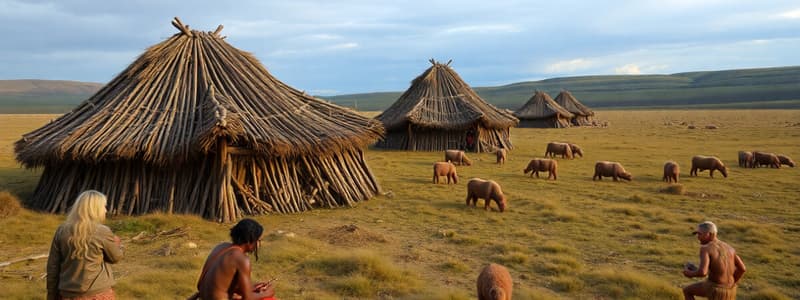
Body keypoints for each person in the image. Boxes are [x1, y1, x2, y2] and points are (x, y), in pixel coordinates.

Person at [47, 190, 124, 300]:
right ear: (95, 209)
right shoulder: (102, 231)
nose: (106, 210)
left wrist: (51, 295)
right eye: (104, 206)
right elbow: (116, 257)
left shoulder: (61, 231)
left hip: (67, 294)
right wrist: (118, 245)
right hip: (98, 294)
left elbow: (53, 267)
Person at [194, 218, 275, 300]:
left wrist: (251, 287)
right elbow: (248, 298)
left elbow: (205, 284)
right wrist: (268, 292)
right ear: (249, 240)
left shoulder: (221, 247)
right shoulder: (241, 259)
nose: (258, 244)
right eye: (258, 240)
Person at [682, 221, 746, 300]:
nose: (698, 237)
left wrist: (689, 273)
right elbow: (742, 269)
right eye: (697, 234)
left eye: (700, 234)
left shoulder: (705, 248)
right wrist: (731, 283)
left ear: (709, 234)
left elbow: (703, 273)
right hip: (730, 290)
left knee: (687, 291)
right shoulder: (729, 248)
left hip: (715, 288)